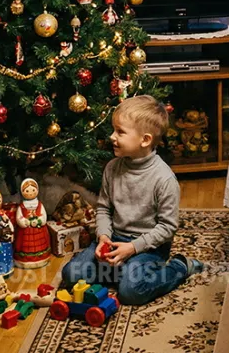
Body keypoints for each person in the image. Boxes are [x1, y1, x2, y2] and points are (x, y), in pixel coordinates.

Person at [61, 95, 204, 305]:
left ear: (144, 140)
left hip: (148, 247)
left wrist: (133, 248)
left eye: (120, 132)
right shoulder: (112, 168)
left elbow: (167, 227)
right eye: (113, 130)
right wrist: (103, 237)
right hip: (114, 238)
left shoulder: (164, 179)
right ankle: (120, 271)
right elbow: (103, 209)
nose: (112, 136)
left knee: (130, 292)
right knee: (71, 275)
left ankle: (179, 267)